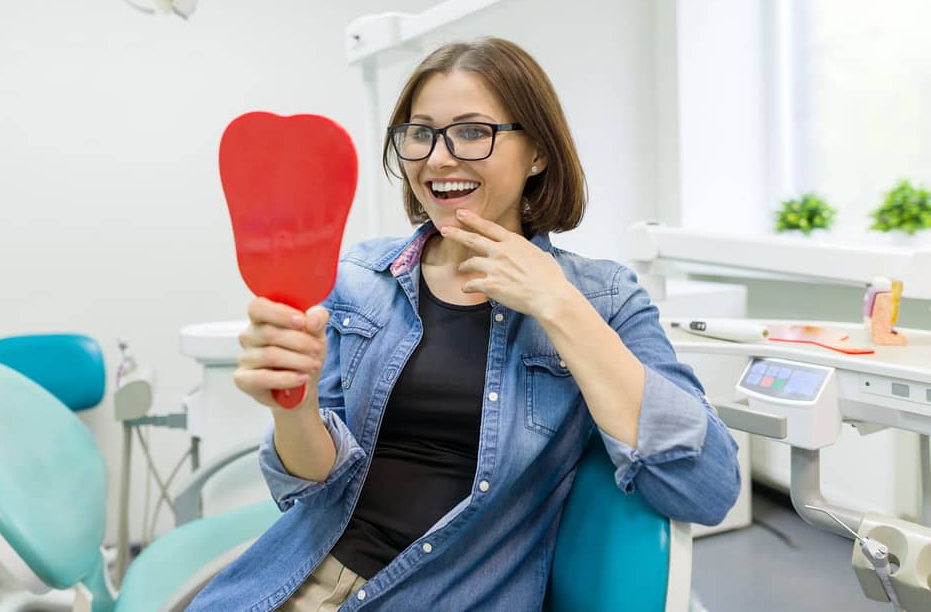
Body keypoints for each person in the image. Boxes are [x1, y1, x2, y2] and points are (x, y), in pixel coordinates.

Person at [188, 37, 741, 611]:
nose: (438, 158)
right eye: (419, 133)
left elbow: (706, 486)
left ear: (538, 153)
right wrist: (292, 406)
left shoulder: (603, 298)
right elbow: (309, 488)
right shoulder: (356, 279)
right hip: (294, 582)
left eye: (473, 131)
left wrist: (557, 303)